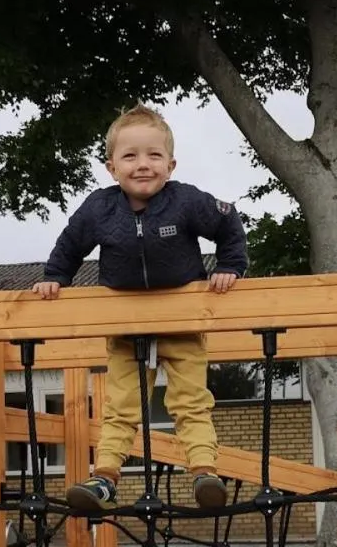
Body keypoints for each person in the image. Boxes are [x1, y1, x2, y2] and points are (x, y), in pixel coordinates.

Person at [31, 104, 249, 511]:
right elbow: (70, 244)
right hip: (127, 326)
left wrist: (229, 267)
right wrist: (55, 277)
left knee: (190, 402)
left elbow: (227, 224)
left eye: (153, 155)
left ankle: (204, 472)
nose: (142, 165)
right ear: (112, 167)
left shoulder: (184, 201)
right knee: (121, 406)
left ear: (170, 164)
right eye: (130, 157)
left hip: (181, 322)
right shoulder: (100, 208)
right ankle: (105, 478)